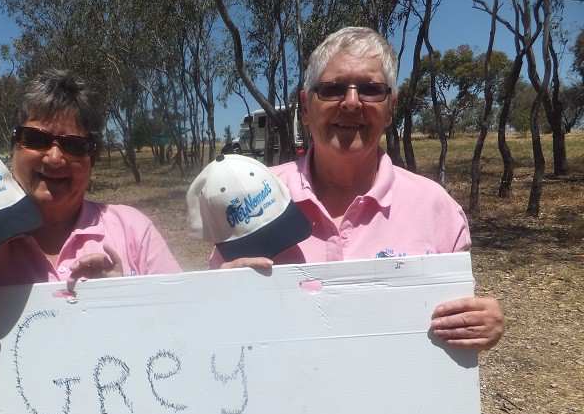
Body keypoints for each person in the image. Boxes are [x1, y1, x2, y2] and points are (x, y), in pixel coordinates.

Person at [213, 27, 504, 351]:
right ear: (305, 108)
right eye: (333, 89)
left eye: (370, 89)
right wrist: (215, 295)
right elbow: (209, 326)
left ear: (390, 109)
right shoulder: (251, 198)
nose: (352, 103)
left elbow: (455, 321)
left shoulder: (436, 209)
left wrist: (480, 322)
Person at [0, 69, 181, 373]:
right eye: (36, 139)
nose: (54, 158)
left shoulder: (133, 230)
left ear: (92, 158)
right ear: (13, 149)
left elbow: (187, 330)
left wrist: (126, 298)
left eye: (74, 145)